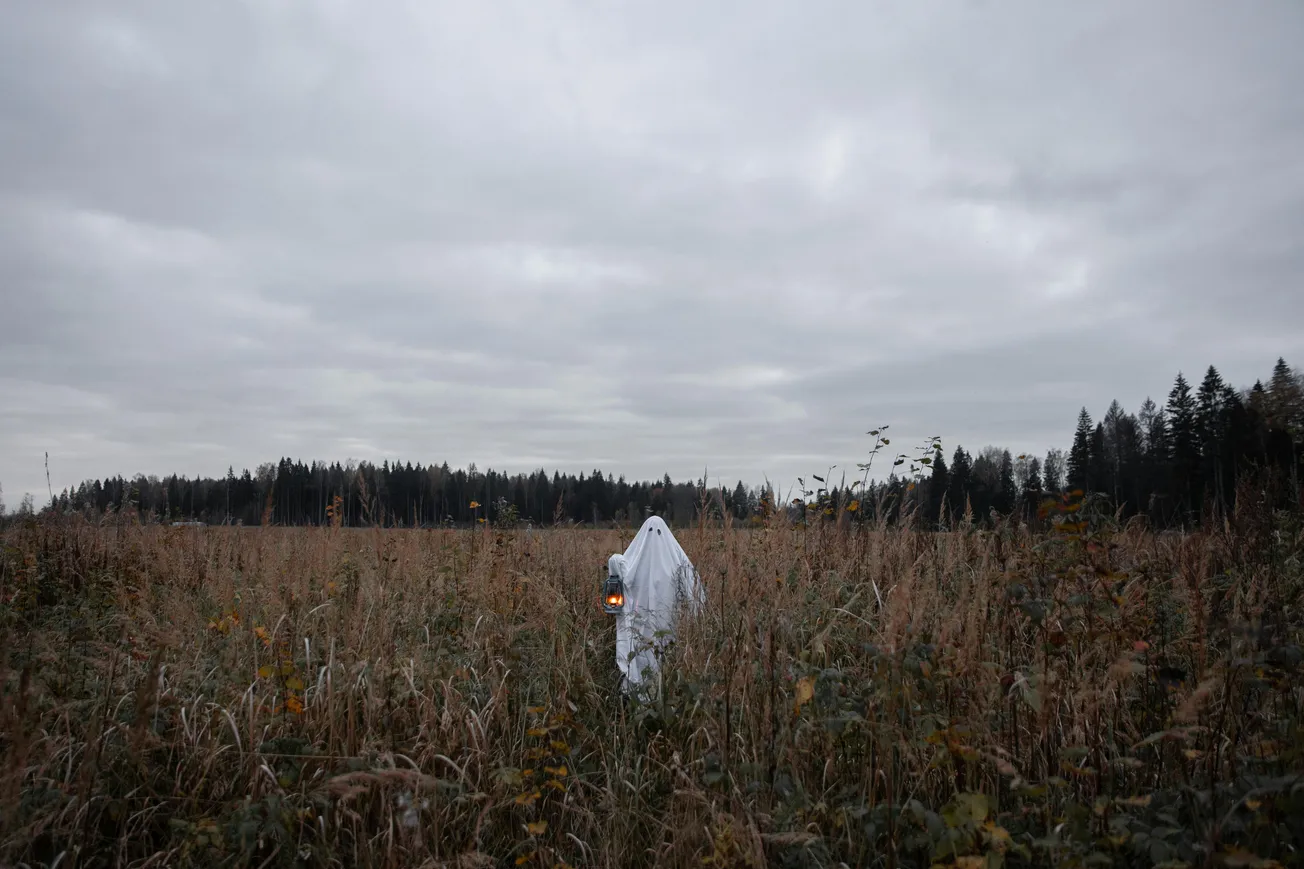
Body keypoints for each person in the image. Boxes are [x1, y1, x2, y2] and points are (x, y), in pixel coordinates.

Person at [606, 515, 704, 696]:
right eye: (650, 533)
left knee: (659, 658)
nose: (654, 539)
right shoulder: (668, 564)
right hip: (643, 627)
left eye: (657, 533)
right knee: (646, 656)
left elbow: (692, 592)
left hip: (664, 628)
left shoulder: (671, 565)